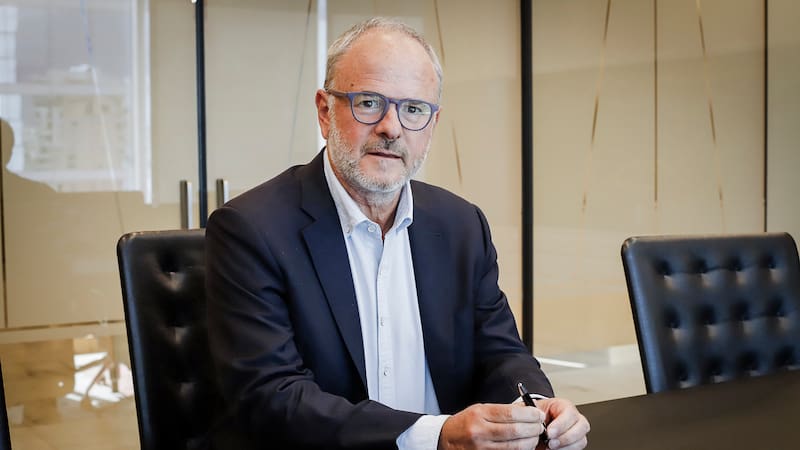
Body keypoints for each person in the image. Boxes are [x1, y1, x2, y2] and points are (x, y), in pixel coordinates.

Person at [206, 17, 590, 450]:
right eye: (369, 103)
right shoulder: (251, 229)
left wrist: (536, 409)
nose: (391, 127)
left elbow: (501, 353)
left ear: (432, 124)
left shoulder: (461, 225)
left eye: (413, 109)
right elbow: (272, 398)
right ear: (325, 112)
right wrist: (437, 436)